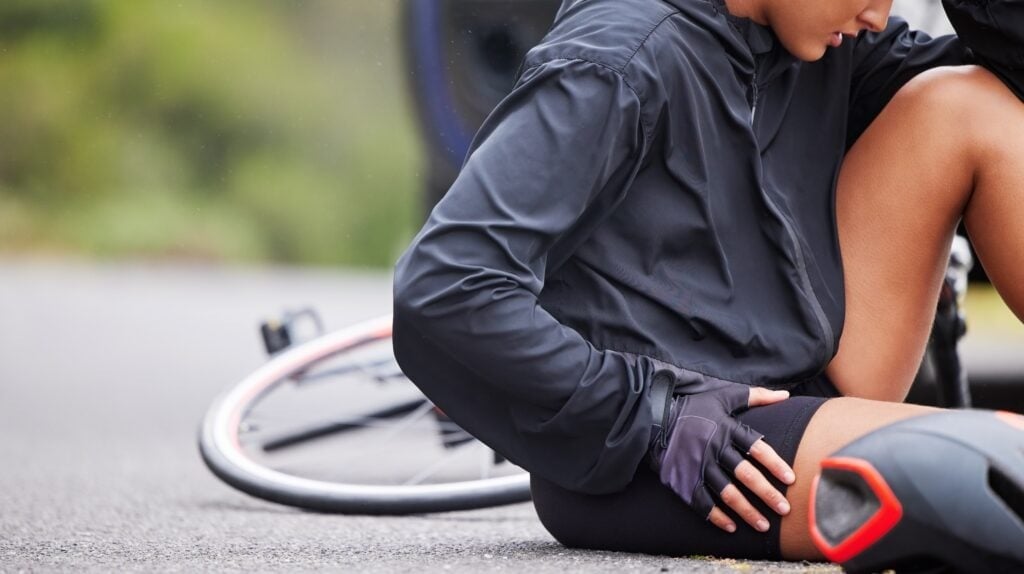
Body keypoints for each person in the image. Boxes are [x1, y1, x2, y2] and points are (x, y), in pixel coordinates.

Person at [392, 0, 1024, 564]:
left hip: (805, 380)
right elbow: (445, 286)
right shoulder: (617, 57)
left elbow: (1004, 74)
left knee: (971, 102)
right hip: (674, 449)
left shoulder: (819, 38)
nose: (879, 15)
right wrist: (652, 413)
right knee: (999, 474)